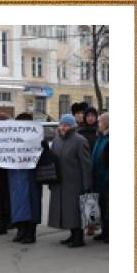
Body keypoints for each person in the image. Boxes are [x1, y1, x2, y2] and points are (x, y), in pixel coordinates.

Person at [48, 114, 93, 248]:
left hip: (75, 183)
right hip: (60, 182)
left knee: (75, 211)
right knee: (66, 211)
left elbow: (86, 165)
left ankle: (78, 238)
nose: (63, 127)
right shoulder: (56, 141)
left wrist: (87, 184)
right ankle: (72, 235)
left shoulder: (80, 141)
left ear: (73, 126)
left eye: (66, 125)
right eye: (61, 124)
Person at [7, 113, 42, 244]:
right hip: (15, 175)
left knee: (31, 205)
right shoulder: (13, 138)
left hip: (31, 176)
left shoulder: (36, 138)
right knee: (18, 204)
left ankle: (30, 233)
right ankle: (21, 230)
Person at [77, 106, 100, 236]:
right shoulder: (80, 132)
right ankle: (88, 225)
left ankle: (96, 224)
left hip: (97, 168)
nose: (91, 118)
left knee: (96, 197)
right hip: (84, 169)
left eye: (93, 116)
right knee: (87, 197)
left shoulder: (99, 131)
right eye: (89, 116)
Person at [92, 112, 109, 243]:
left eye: (100, 122)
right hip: (99, 178)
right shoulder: (100, 138)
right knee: (102, 206)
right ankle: (104, 232)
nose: (98, 124)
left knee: (109, 208)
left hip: (107, 179)